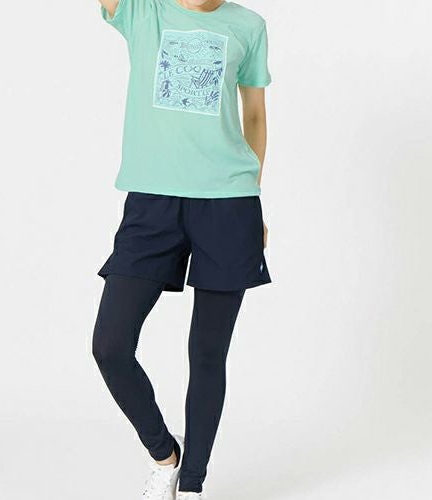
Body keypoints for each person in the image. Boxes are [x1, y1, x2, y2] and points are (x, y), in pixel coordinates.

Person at [92, 0, 273, 498]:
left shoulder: (249, 26)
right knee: (110, 345)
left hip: (229, 205)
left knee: (208, 353)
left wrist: (253, 197)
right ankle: (165, 455)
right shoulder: (143, 12)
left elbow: (254, 114)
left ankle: (192, 483)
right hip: (152, 205)